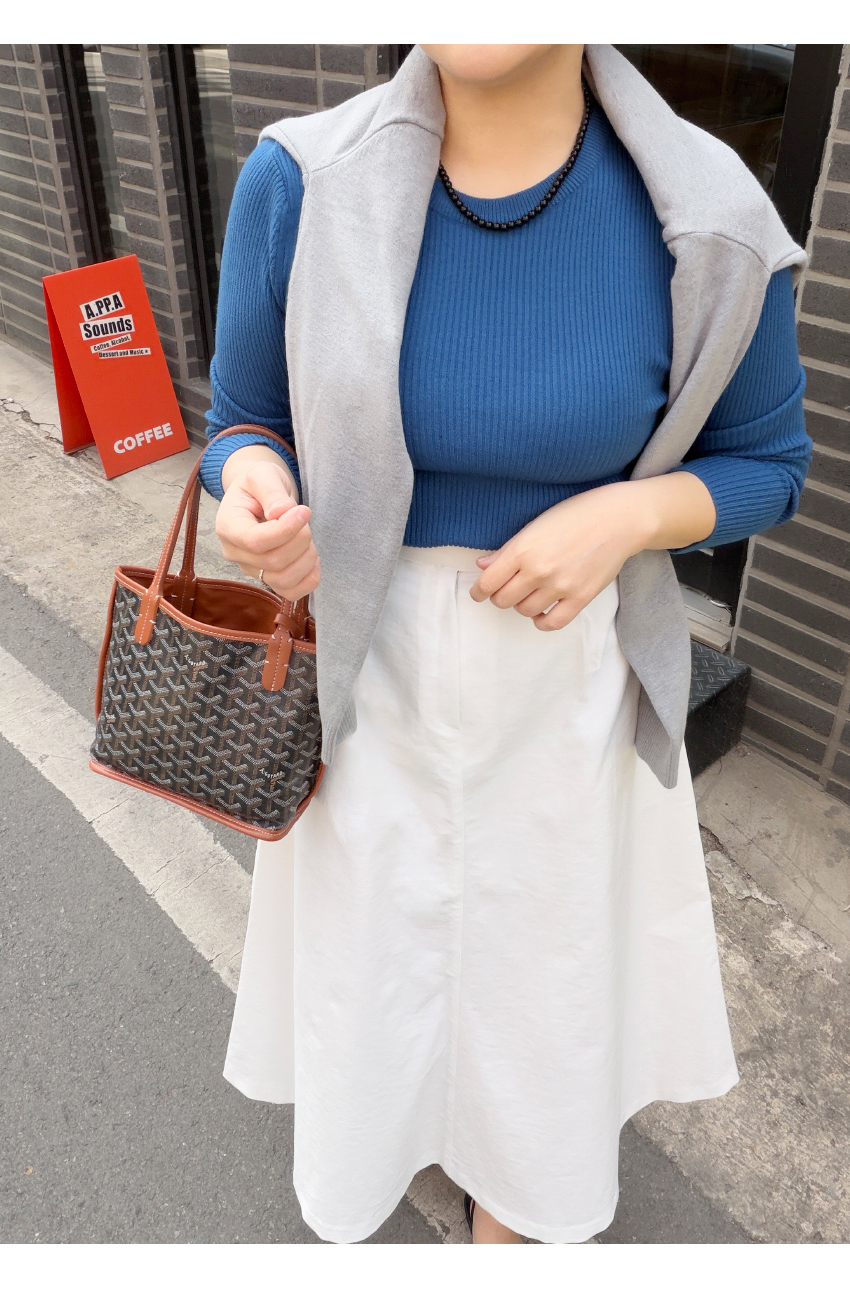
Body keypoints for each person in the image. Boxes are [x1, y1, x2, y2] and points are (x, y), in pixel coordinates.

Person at [198, 45, 811, 1243]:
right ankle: (381, 1153)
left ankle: (517, 1208)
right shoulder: (303, 179)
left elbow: (767, 464)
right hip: (361, 670)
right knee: (373, 968)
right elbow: (242, 417)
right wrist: (252, 485)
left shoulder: (706, 212)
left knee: (542, 982)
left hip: (569, 680)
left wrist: (626, 517)